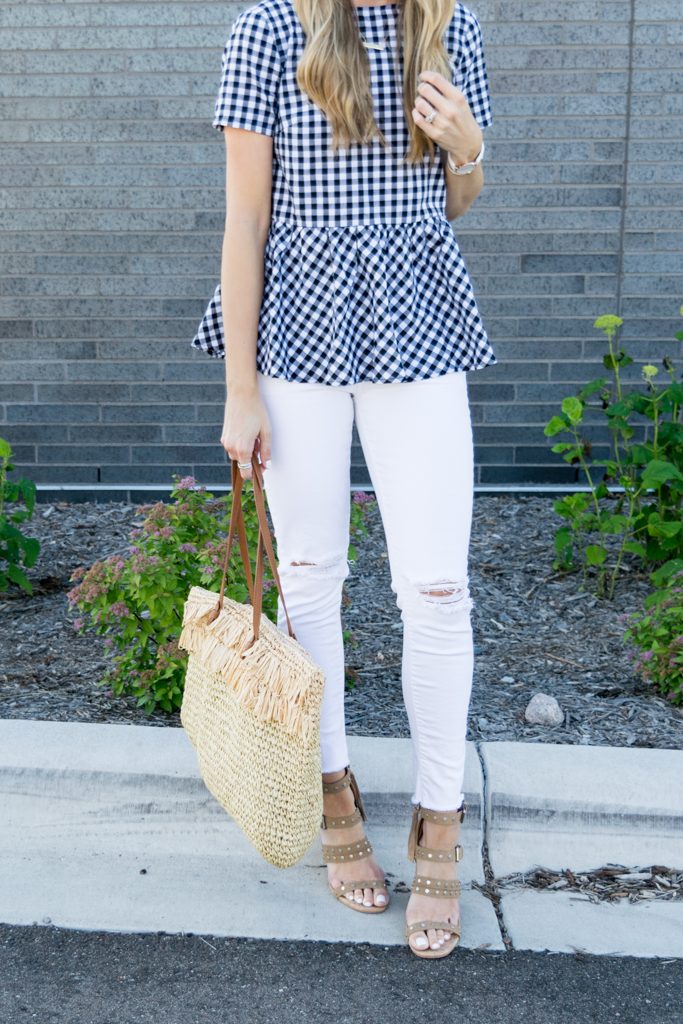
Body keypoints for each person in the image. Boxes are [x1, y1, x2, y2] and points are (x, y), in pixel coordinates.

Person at [192, 0, 495, 959]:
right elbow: (245, 219)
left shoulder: (449, 22)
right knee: (314, 576)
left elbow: (447, 203)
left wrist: (469, 149)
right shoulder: (271, 27)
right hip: (297, 336)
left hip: (417, 322)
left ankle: (438, 827)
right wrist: (241, 390)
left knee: (437, 589)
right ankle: (335, 797)